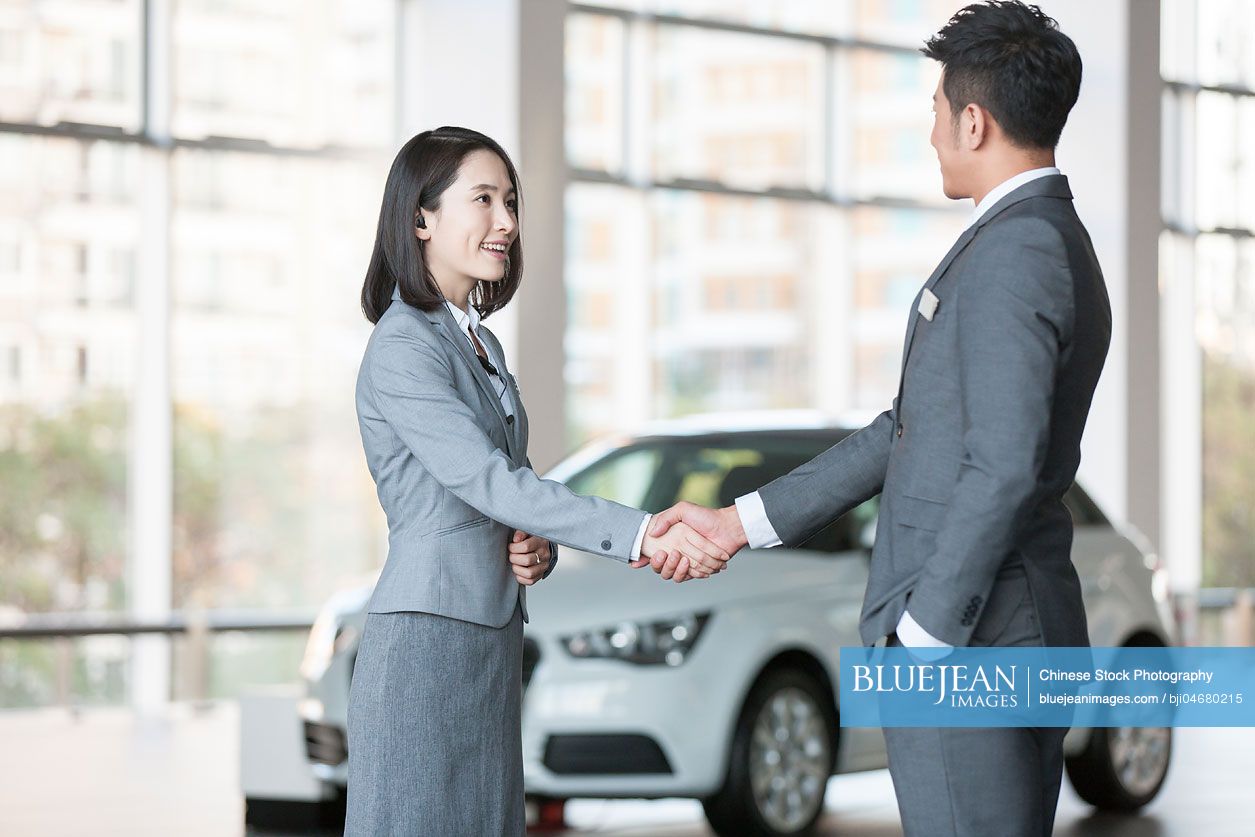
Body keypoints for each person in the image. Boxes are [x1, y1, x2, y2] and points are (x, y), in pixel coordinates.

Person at [648, 3, 1109, 835]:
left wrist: (926, 634)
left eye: (934, 113)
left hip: (972, 645)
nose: (930, 133)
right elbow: (903, 430)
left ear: (974, 121)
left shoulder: (1015, 252)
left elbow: (1002, 463)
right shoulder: (1041, 238)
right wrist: (734, 523)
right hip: (1005, 632)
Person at [347, 126, 727, 837]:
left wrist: (535, 549)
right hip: (426, 641)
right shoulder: (401, 345)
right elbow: (488, 480)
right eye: (483, 199)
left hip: (487, 639)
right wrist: (642, 531)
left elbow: (506, 496)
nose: (507, 223)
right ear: (419, 217)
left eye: (511, 202)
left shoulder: (479, 342)